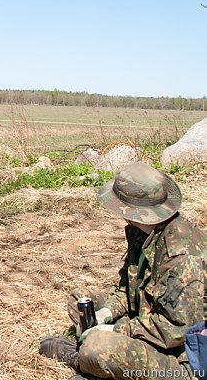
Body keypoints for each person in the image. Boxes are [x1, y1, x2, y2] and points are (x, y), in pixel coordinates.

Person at [39, 162, 206, 380]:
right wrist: (105, 313)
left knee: (96, 348)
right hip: (146, 323)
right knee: (80, 300)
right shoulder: (143, 233)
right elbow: (127, 289)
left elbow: (175, 330)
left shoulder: (183, 256)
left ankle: (84, 358)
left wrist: (115, 331)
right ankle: (100, 359)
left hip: (183, 359)